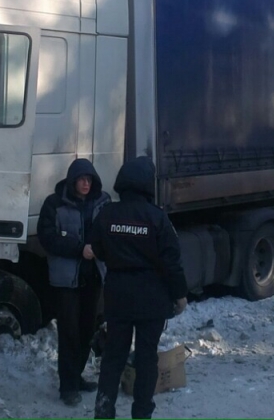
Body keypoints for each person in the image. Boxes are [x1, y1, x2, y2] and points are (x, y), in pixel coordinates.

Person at [91, 156, 188, 420]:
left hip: (118, 296)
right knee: (146, 360)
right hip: (151, 298)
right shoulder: (157, 218)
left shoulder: (106, 214)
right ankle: (142, 413)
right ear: (148, 184)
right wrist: (179, 295)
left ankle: (103, 409)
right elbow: (171, 261)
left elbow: (97, 248)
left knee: (113, 357)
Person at [38, 158, 112, 406]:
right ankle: (67, 386)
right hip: (66, 282)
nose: (85, 184)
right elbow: (47, 237)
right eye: (81, 180)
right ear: (72, 181)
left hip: (93, 278)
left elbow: (110, 232)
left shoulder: (102, 202)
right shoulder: (54, 203)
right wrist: (79, 248)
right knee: (68, 333)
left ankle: (77, 375)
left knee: (86, 331)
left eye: (89, 180)